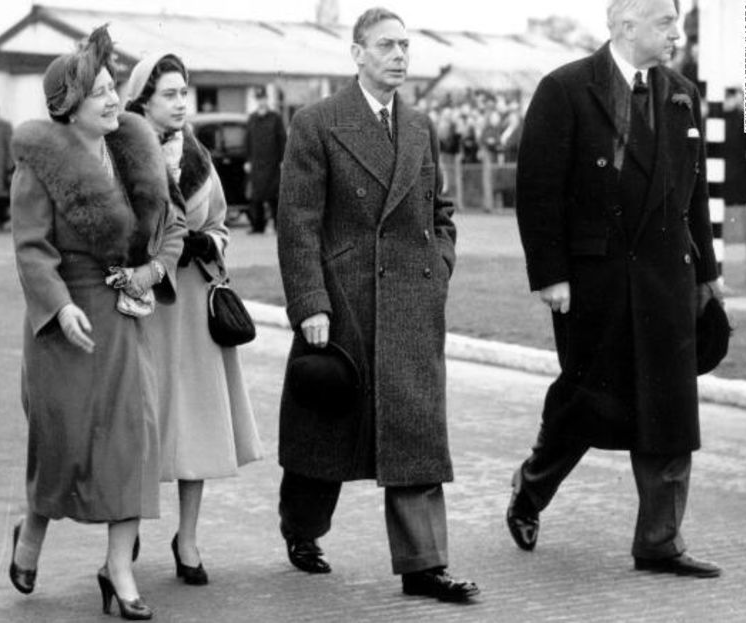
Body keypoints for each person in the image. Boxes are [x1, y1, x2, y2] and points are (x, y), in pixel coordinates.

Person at [507, 0, 723, 578]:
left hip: (666, 278)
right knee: (587, 402)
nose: (677, 33)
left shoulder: (681, 93)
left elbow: (693, 192)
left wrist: (709, 273)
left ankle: (659, 541)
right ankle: (530, 490)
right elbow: (538, 189)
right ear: (627, 26)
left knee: (670, 409)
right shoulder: (566, 88)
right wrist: (550, 275)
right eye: (666, 22)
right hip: (593, 280)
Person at [275, 7, 479, 603]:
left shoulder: (420, 127)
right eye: (386, 45)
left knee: (415, 433)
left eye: (405, 46)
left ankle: (424, 566)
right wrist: (311, 302)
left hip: (412, 303)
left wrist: (438, 268)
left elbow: (440, 213)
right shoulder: (316, 124)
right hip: (343, 307)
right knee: (328, 430)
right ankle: (303, 528)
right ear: (357, 53)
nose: (399, 55)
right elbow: (298, 223)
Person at [5, 25, 185, 620]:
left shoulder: (136, 151)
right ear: (68, 107)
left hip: (123, 317)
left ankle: (119, 569)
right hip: (67, 324)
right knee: (64, 445)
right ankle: (31, 533)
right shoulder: (40, 167)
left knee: (131, 442)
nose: (114, 100)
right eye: (100, 93)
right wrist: (58, 305)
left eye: (114, 88)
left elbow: (168, 228)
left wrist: (156, 271)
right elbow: (33, 249)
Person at [122, 52, 264, 586]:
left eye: (186, 92)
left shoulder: (200, 157)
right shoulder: (121, 154)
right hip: (145, 304)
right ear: (143, 102)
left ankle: (189, 537)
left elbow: (223, 222)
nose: (182, 103)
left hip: (196, 299)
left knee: (198, 423)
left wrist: (208, 240)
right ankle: (126, 525)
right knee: (142, 419)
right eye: (171, 94)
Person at [245, 87, 286, 234]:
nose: (261, 101)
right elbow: (248, 140)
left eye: (263, 98)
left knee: (274, 196)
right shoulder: (252, 118)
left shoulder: (275, 118)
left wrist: (283, 160)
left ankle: (278, 226)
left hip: (273, 163)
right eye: (259, 99)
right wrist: (248, 160)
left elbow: (282, 140)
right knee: (256, 197)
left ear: (267, 99)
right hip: (256, 163)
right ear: (257, 100)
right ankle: (258, 226)